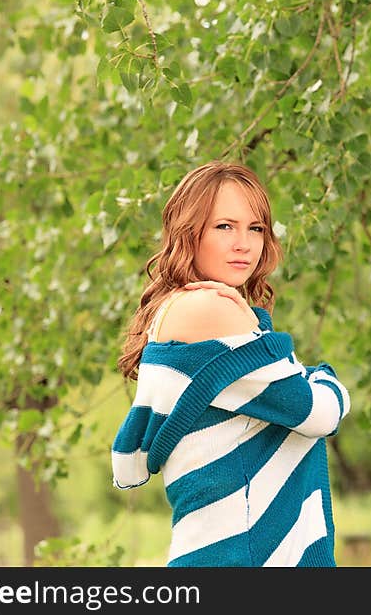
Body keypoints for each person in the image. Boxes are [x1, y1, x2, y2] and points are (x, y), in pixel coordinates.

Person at [112, 160, 351, 567]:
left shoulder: (190, 310)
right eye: (225, 226)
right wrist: (326, 377)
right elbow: (320, 412)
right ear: (190, 232)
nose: (244, 243)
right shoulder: (209, 309)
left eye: (255, 228)